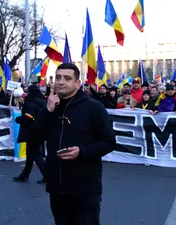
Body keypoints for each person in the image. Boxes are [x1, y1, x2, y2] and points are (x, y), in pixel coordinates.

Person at [31, 63, 116, 225]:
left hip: (85, 187)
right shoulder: (49, 107)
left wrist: (82, 152)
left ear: (78, 84)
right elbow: (34, 139)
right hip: (57, 186)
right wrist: (46, 112)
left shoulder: (93, 107)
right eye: (58, 77)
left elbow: (109, 142)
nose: (61, 82)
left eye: (67, 78)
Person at [13, 85, 46, 184]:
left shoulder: (31, 103)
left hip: (31, 131)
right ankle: (25, 174)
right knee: (30, 154)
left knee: (36, 154)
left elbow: (28, 117)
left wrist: (18, 119)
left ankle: (47, 176)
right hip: (39, 130)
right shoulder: (43, 101)